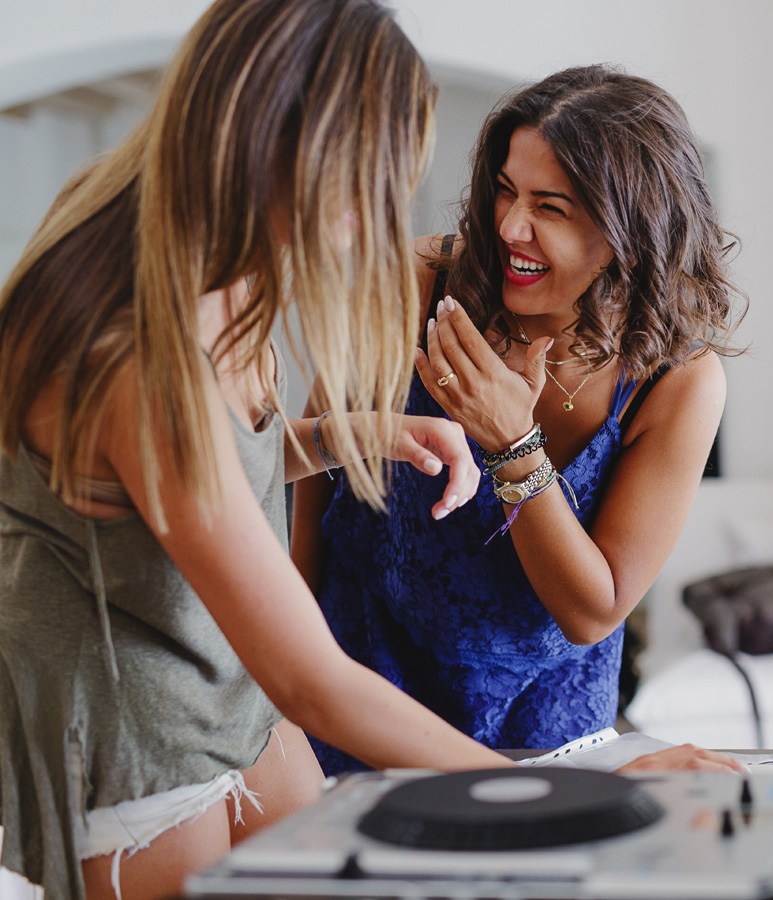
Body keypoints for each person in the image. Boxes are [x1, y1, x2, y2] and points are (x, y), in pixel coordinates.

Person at [0, 6, 736, 898]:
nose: (383, 213)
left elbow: (206, 468)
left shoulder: (217, 263)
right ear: (279, 143)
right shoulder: (139, 334)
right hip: (140, 727)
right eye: (373, 174)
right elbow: (309, 674)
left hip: (237, 702)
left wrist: (348, 437)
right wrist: (560, 795)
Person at [292, 64, 745, 774]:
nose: (510, 227)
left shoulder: (678, 381)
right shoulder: (416, 286)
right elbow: (314, 473)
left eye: (550, 207)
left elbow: (594, 610)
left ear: (629, 229)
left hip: (547, 730)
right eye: (505, 192)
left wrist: (512, 442)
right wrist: (288, 669)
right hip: (368, 693)